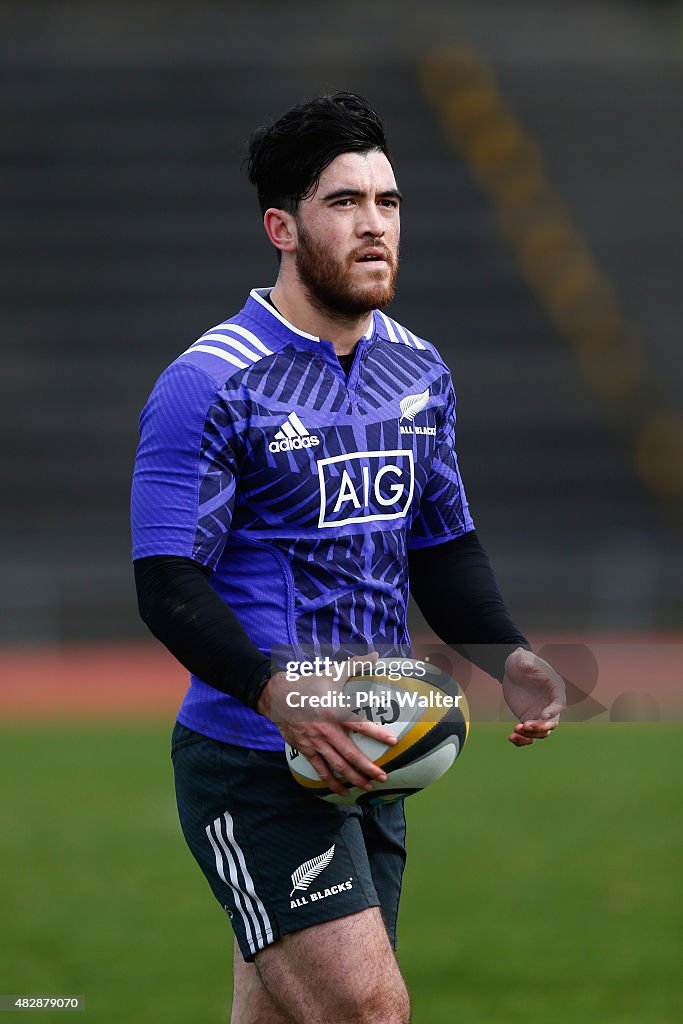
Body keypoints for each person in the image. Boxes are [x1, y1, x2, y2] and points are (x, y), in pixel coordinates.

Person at [131, 92, 566, 1024]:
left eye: (389, 201)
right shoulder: (208, 381)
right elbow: (166, 581)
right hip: (255, 757)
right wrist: (272, 691)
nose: (375, 225)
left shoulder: (420, 369)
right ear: (281, 227)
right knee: (370, 1009)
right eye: (344, 203)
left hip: (373, 752)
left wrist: (506, 651)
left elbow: (440, 543)